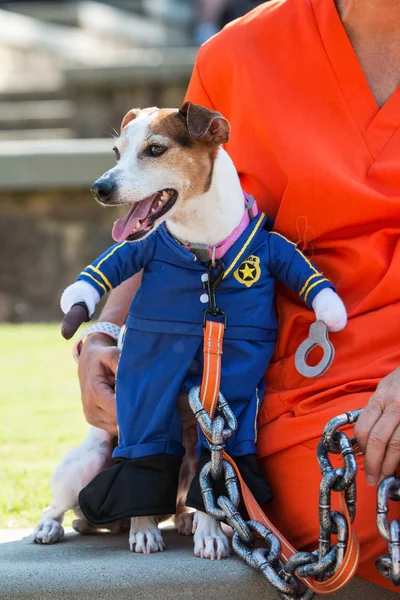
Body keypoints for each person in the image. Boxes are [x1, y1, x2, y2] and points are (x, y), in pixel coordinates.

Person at [77, 0, 400, 591]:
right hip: (285, 385)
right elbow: (174, 207)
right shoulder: (238, 54)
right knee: (366, 494)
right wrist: (108, 335)